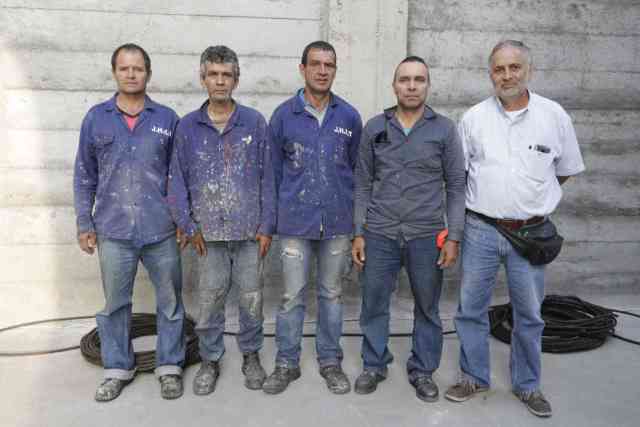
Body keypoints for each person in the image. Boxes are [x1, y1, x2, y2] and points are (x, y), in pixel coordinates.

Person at [445, 40, 585, 418]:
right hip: (481, 229)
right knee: (470, 309)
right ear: (490, 73)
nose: (507, 76)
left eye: (514, 68)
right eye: (499, 69)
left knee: (529, 314)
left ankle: (527, 385)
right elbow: (459, 176)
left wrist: (530, 201)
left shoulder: (554, 116)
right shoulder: (473, 118)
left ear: (528, 70)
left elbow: (566, 168)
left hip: (530, 234)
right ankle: (473, 377)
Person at [73, 43, 185, 401]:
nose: (132, 74)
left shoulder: (167, 119)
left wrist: (184, 220)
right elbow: (84, 175)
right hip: (114, 229)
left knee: (169, 302)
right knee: (116, 305)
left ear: (148, 74)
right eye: (125, 68)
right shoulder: (96, 118)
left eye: (138, 69)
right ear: (115, 72)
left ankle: (169, 367)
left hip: (160, 229)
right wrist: (83, 222)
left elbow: (179, 176)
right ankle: (118, 368)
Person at [352, 56, 466, 402]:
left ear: (428, 85)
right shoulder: (375, 128)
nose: (412, 86)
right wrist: (359, 231)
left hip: (426, 234)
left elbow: (456, 186)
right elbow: (362, 183)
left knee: (428, 307)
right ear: (394, 85)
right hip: (380, 232)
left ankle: (422, 370)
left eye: (419, 80)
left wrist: (454, 236)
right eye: (405, 80)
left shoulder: (444, 130)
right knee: (373, 303)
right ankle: (374, 364)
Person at [168, 46, 275, 395]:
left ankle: (251, 355)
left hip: (248, 233)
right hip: (207, 235)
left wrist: (266, 227)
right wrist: (187, 225)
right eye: (213, 74)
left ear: (236, 79)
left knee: (251, 299)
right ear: (202, 79)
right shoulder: (187, 127)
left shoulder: (255, 123)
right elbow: (176, 181)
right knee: (209, 300)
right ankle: (210, 360)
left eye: (226, 74)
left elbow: (268, 178)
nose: (219, 81)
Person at [264, 40, 363, 395]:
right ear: (302, 68)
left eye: (329, 65)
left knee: (332, 294)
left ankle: (330, 361)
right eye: (316, 64)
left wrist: (356, 226)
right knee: (291, 296)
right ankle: (286, 363)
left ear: (335, 70)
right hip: (294, 224)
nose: (323, 70)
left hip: (337, 224)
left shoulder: (349, 117)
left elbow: (356, 172)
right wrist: (269, 224)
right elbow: (271, 174)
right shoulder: (283, 116)